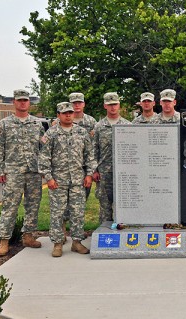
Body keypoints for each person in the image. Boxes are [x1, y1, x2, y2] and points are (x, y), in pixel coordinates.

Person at [38, 102, 97, 257]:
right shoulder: (51, 134)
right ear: (58, 115)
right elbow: (44, 158)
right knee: (57, 213)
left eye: (70, 112)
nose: (68, 115)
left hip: (78, 180)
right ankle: (58, 244)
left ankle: (77, 242)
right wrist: (49, 178)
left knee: (78, 212)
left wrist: (89, 174)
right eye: (64, 113)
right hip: (58, 181)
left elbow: (90, 155)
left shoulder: (81, 132)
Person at [0, 89, 45, 256]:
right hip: (13, 172)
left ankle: (28, 236)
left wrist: (44, 168)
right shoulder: (5, 124)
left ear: (29, 103)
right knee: (10, 206)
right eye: (19, 100)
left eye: (25, 100)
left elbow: (43, 148)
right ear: (14, 102)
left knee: (33, 205)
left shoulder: (37, 123)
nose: (23, 103)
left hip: (33, 172)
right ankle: (4, 240)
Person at [60, 92, 98, 240]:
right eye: (73, 103)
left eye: (79, 102)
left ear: (83, 104)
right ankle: (62, 229)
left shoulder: (91, 121)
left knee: (80, 201)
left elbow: (93, 147)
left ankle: (77, 233)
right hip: (64, 170)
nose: (76, 105)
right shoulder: (60, 122)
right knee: (63, 202)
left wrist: (92, 170)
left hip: (83, 169)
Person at [93, 92, 131, 222]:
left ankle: (123, 235)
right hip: (104, 172)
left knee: (124, 205)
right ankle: (105, 235)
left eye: (115, 104)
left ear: (119, 105)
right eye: (110, 105)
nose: (112, 107)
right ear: (105, 106)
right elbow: (94, 149)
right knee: (105, 206)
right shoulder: (99, 126)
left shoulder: (127, 126)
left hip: (124, 172)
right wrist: (94, 170)